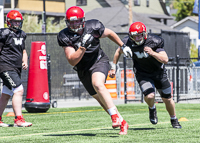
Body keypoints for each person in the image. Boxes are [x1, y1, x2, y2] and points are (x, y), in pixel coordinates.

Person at [57, 6, 132, 135]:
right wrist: (82, 47)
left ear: (83, 20)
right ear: (67, 22)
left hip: (98, 60)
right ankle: (122, 122)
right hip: (82, 69)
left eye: (77, 21)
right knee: (102, 101)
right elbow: (72, 60)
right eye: (71, 21)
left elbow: (109, 33)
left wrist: (122, 45)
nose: (74, 24)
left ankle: (114, 117)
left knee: (98, 83)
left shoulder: (93, 26)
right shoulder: (64, 35)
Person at [110, 21, 182, 129]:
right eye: (135, 36)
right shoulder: (127, 42)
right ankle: (152, 108)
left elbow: (165, 59)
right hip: (143, 74)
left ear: (145, 34)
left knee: (167, 99)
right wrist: (113, 67)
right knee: (150, 95)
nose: (138, 38)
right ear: (131, 36)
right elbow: (118, 52)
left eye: (140, 35)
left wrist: (152, 53)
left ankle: (173, 118)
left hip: (159, 73)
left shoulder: (154, 41)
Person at [0, 10, 32, 127]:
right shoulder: (4, 33)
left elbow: (23, 51)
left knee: (6, 93)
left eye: (19, 22)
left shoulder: (22, 34)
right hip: (5, 65)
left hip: (16, 67)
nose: (17, 24)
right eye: (15, 22)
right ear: (9, 22)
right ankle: (18, 119)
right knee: (18, 90)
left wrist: (25, 61)